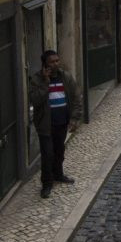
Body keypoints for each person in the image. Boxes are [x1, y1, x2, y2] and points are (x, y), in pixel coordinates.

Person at [29, 50, 82, 199]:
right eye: (52, 62)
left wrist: (74, 118)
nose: (55, 64)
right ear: (45, 64)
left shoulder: (66, 77)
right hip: (45, 125)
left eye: (57, 61)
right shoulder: (37, 80)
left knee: (59, 151)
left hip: (62, 123)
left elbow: (76, 97)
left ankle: (58, 174)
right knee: (47, 154)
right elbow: (36, 100)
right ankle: (46, 184)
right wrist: (46, 83)